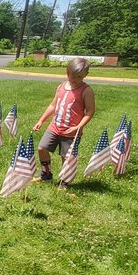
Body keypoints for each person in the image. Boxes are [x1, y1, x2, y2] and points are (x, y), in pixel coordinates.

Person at [31, 57, 97, 188]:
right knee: (41, 148)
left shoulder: (86, 91)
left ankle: (65, 181)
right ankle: (46, 174)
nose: (74, 79)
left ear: (86, 75)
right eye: (71, 75)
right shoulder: (61, 87)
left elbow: (90, 111)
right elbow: (53, 105)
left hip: (71, 132)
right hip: (54, 127)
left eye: (79, 77)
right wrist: (41, 120)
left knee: (66, 157)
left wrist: (78, 127)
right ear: (67, 72)